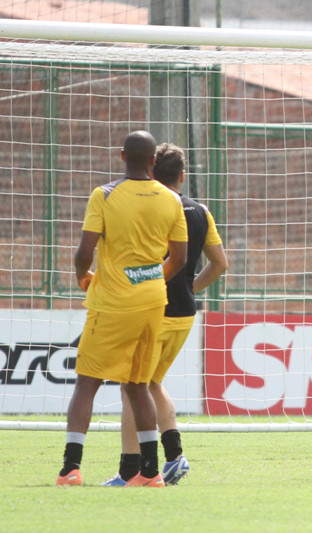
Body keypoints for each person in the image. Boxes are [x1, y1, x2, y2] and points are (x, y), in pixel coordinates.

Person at [57, 131, 188, 487]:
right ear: (152, 162)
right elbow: (179, 258)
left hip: (112, 301)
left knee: (87, 382)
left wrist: (85, 276)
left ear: (121, 156)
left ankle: (71, 468)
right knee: (138, 385)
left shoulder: (104, 195)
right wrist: (149, 278)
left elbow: (85, 253)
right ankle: (149, 473)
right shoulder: (170, 199)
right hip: (152, 302)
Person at [101, 143, 228, 487]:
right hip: (185, 314)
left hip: (152, 309)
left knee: (133, 387)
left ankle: (133, 471)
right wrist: (190, 288)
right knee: (151, 382)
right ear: (183, 176)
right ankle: (174, 456)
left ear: (152, 171)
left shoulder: (153, 207)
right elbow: (220, 264)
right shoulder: (201, 210)